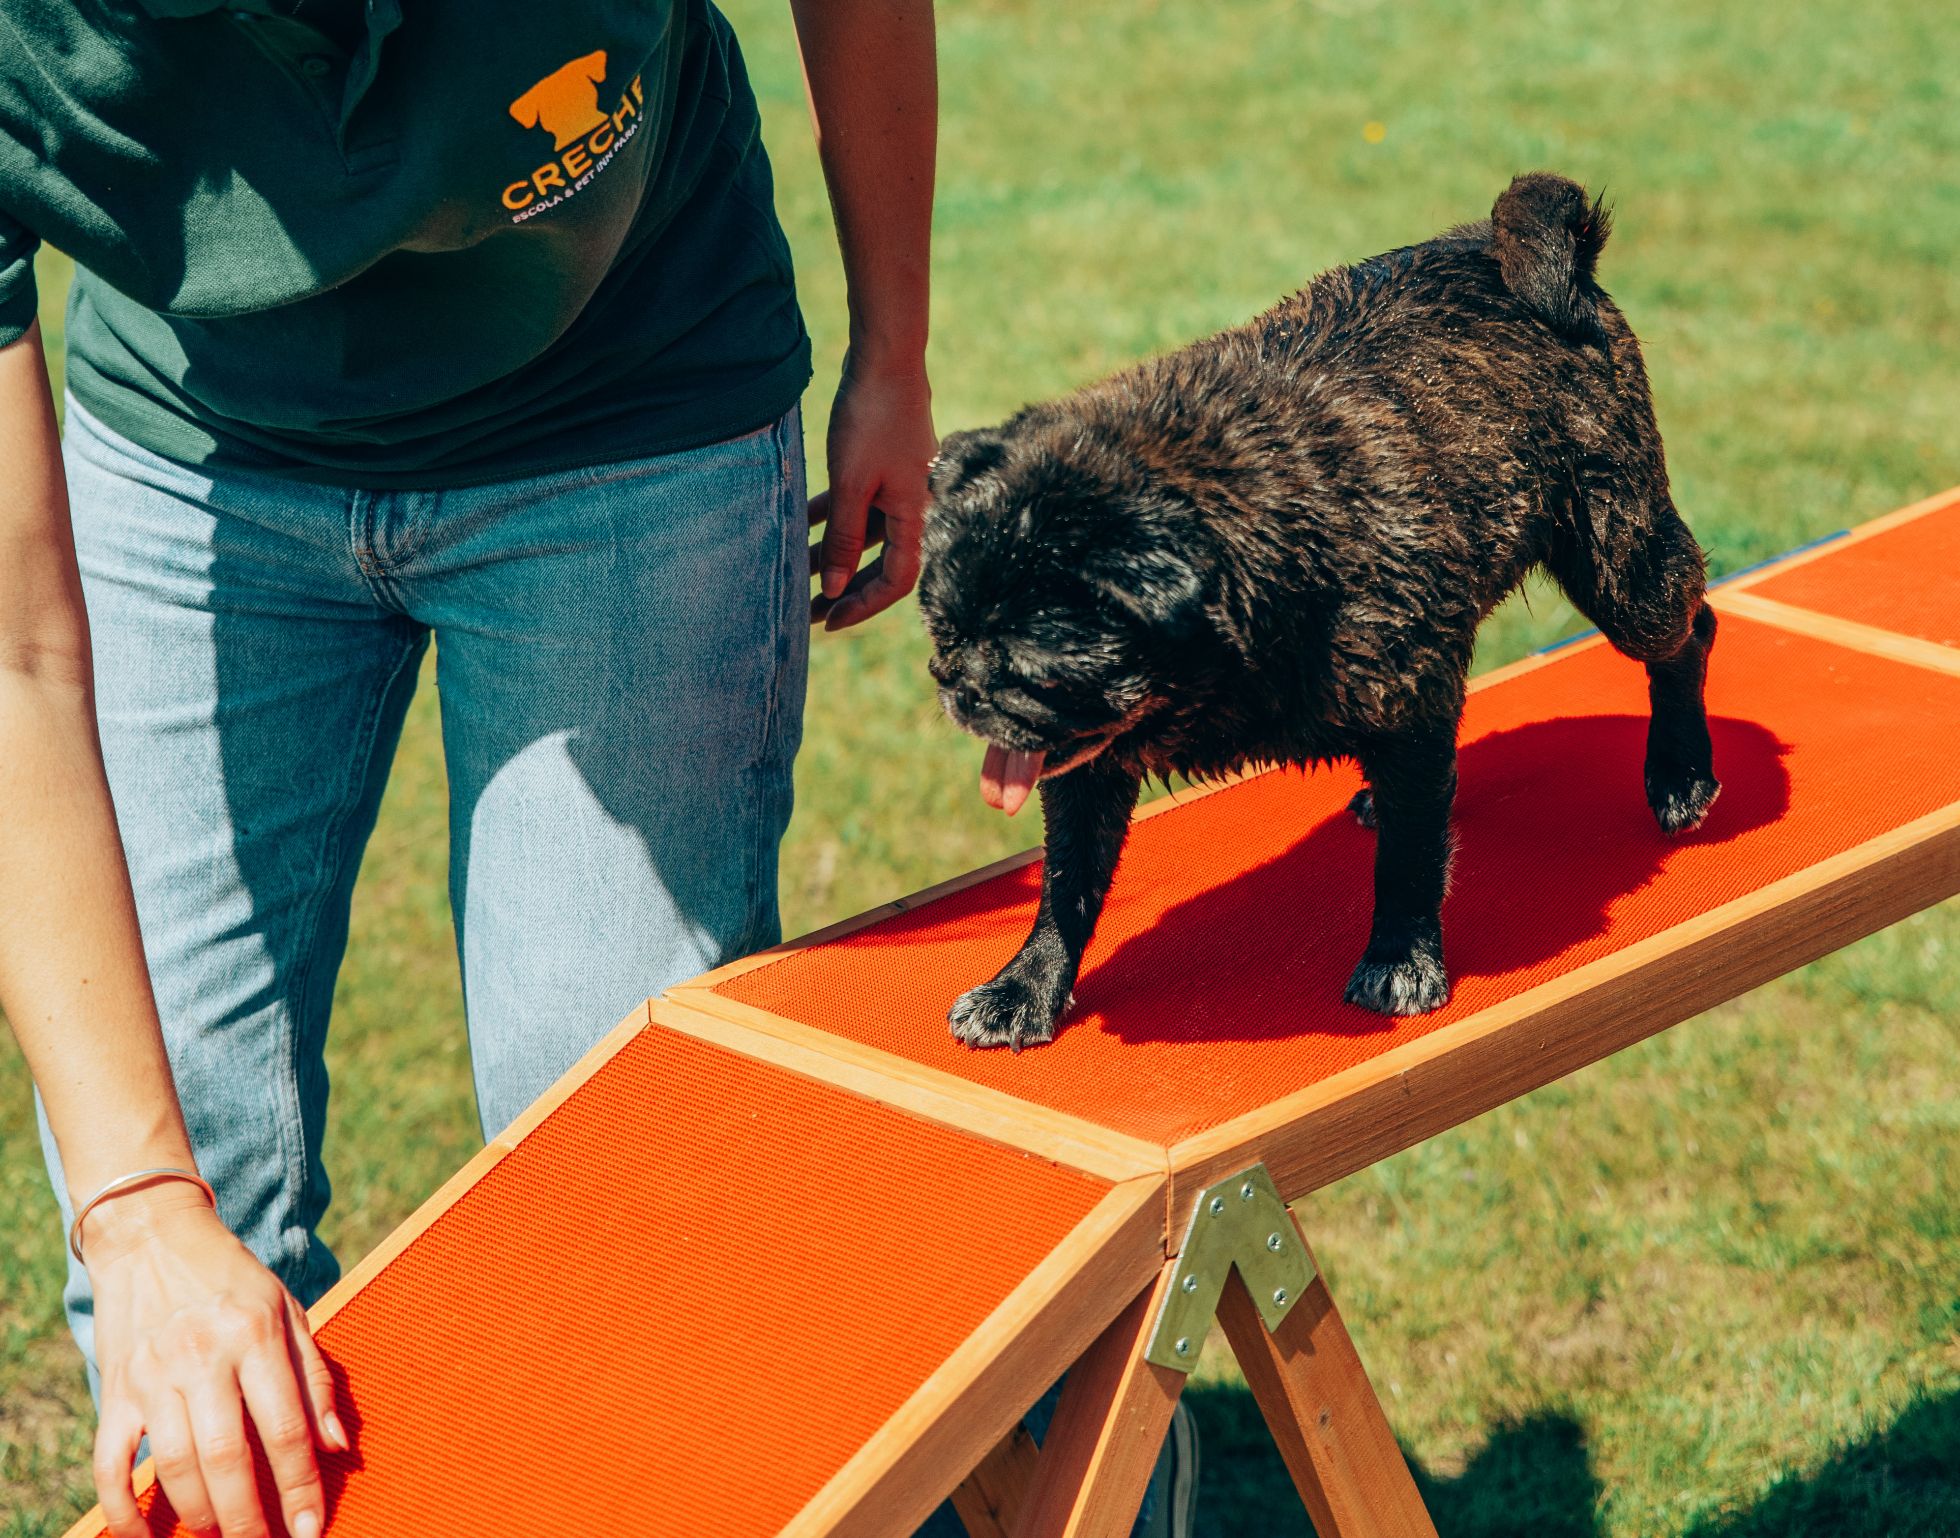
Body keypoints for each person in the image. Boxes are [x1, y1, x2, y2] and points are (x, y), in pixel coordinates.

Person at [0, 3, 935, 1535]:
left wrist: (892, 347)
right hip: (193, 454)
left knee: (621, 1215)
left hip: (627, 416)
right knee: (177, 1251)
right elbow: (10, 657)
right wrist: (139, 1207)